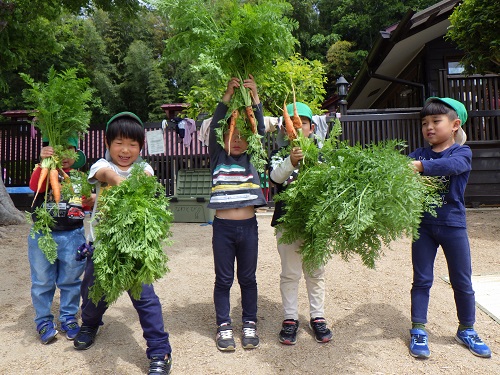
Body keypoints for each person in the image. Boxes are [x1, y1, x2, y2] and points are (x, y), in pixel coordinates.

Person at [73, 112, 173, 375]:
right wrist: (116, 179)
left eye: (132, 144)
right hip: (103, 245)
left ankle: (159, 350)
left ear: (141, 147)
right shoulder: (100, 167)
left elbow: (147, 181)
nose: (125, 150)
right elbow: (104, 174)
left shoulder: (145, 169)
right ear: (107, 143)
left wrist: (133, 181)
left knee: (146, 300)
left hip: (135, 247)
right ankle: (90, 324)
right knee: (93, 294)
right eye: (118, 143)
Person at [408, 97, 491, 359]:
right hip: (423, 226)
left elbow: (453, 166)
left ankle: (466, 329)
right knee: (422, 280)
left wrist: (421, 168)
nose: (429, 127)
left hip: (453, 225)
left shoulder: (461, 152)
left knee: (462, 281)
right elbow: (398, 170)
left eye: (435, 121)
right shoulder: (417, 154)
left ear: (455, 124)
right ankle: (418, 329)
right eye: (424, 123)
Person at [208, 75, 267, 351]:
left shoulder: (252, 158)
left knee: (248, 279)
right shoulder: (218, 157)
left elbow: (260, 131)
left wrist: (255, 99)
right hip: (223, 229)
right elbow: (215, 126)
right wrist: (228, 96)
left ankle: (249, 323)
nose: (238, 140)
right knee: (223, 279)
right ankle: (223, 326)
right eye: (234, 135)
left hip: (248, 228)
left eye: (243, 137)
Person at [268, 102, 333, 345]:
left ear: (312, 128)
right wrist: (291, 162)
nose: (295, 128)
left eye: (301, 124)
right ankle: (290, 318)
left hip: (316, 223)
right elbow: (275, 177)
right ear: (284, 130)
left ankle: (317, 317)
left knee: (316, 272)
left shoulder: (322, 154)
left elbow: (332, 181)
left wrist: (318, 167)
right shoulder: (278, 154)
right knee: (290, 272)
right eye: (290, 125)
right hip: (287, 222)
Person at [28, 137, 89, 344]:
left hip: (73, 235)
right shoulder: (43, 172)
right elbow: (34, 185)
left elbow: (87, 205)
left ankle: (68, 317)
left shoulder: (81, 178)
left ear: (76, 153)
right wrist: (44, 163)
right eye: (58, 150)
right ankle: (44, 321)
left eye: (69, 150)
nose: (63, 156)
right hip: (42, 234)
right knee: (42, 281)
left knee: (71, 280)